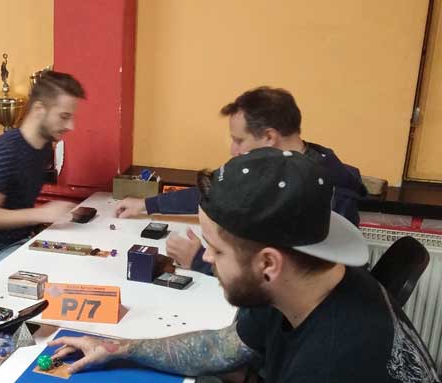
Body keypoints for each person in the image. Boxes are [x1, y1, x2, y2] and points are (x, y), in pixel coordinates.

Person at [54, 148, 442, 383]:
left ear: (268, 263)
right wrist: (117, 347)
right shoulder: (309, 282)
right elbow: (220, 348)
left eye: (217, 250)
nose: (206, 258)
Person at [114, 87, 366, 274]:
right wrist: (147, 204)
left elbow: (292, 280)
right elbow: (220, 193)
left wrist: (201, 261)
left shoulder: (325, 190)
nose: (233, 151)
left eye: (239, 140)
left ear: (269, 137)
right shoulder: (272, 168)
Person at [0, 71, 85, 277]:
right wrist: (42, 214)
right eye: (64, 116)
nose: (70, 126)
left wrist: (49, 215)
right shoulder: (6, 149)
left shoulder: (44, 147)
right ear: (38, 109)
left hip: (21, 242)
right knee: (66, 278)